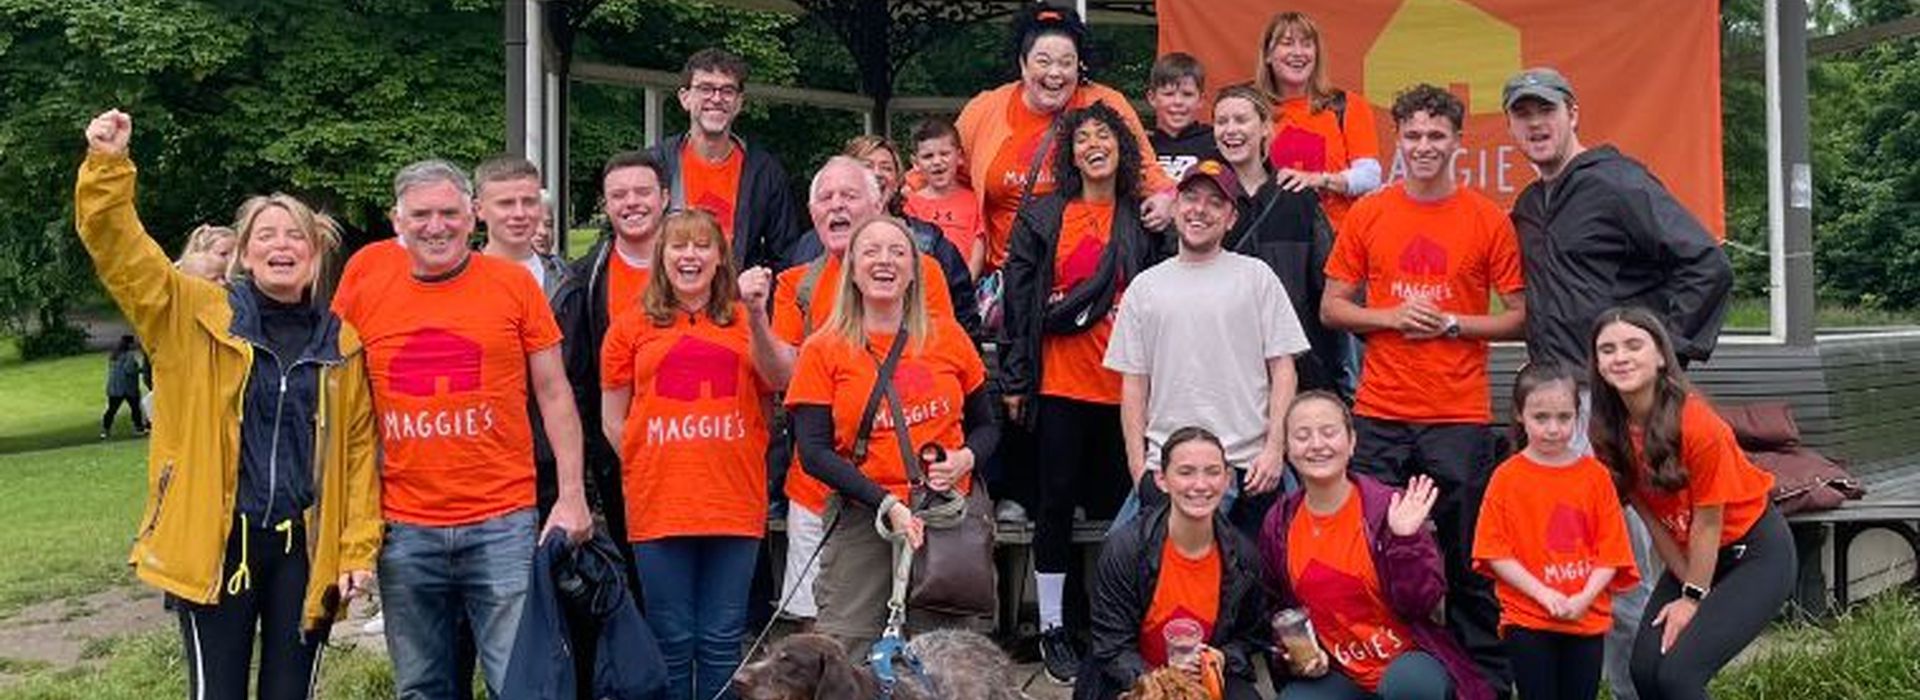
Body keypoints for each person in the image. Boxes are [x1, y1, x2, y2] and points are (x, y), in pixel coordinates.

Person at [75, 109, 380, 700]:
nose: (281, 245)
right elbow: (122, 254)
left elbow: (359, 456)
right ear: (243, 254)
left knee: (292, 693)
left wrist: (357, 549)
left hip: (306, 553)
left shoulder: (341, 343)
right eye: (266, 235)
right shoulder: (190, 314)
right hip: (217, 543)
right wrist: (107, 166)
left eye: (296, 235)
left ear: (316, 255)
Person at [1502, 66, 1736, 700]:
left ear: (1573, 112)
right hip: (1556, 409)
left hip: (1609, 410)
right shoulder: (1528, 206)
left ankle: (1658, 687)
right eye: (1523, 115)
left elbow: (1705, 264)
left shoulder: (1617, 181)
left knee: (1617, 567)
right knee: (1573, 561)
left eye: (1545, 110)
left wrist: (1656, 357)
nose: (1536, 124)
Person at [332, 159, 592, 698]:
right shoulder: (364, 274)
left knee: (520, 682)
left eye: (449, 212)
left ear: (472, 216)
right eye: (421, 215)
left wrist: (571, 497)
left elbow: (554, 392)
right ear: (396, 221)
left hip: (502, 517)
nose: (436, 226)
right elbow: (334, 390)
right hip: (404, 522)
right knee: (424, 684)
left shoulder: (511, 284)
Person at [1319, 84, 1524, 694]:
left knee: (1465, 561)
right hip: (1380, 411)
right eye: (1413, 136)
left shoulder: (1487, 218)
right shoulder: (1370, 212)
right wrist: (1389, 317)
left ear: (1459, 143)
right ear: (1398, 142)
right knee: (1372, 553)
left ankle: (1483, 680)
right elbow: (1332, 308)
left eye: (1437, 136)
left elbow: (1520, 315)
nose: (1424, 146)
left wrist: (1456, 323)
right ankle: (1378, 669)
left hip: (1457, 414)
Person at [786, 215, 999, 657]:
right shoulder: (823, 349)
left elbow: (988, 426)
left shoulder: (949, 337)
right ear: (853, 269)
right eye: (871, 252)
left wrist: (966, 459)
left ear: (915, 269)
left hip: (943, 519)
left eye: (897, 252)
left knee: (945, 658)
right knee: (849, 652)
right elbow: (814, 452)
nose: (885, 261)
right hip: (864, 516)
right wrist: (887, 504)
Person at [1001, 102, 1162, 684]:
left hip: (1129, 388)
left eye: (1105, 135)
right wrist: (1016, 379)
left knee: (1128, 508)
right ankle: (1052, 625)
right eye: (1082, 138)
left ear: (1122, 148)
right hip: (1062, 382)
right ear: (1069, 154)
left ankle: (1116, 624)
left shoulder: (1143, 219)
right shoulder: (1045, 215)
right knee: (1055, 503)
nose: (1094, 144)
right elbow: (1019, 305)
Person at [767, 157, 962, 627]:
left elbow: (944, 366)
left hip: (918, 497)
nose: (837, 206)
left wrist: (965, 456)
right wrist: (755, 319)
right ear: (812, 213)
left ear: (878, 204)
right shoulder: (796, 284)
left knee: (923, 639)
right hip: (823, 494)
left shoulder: (924, 271)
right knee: (828, 637)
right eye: (826, 198)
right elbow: (783, 380)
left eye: (849, 196)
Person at [599, 210, 780, 700]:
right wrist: (648, 464)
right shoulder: (630, 326)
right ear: (661, 256)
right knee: (671, 638)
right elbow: (613, 418)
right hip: (660, 502)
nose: (690, 256)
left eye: (702, 245)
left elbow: (772, 394)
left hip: (733, 500)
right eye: (678, 246)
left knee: (723, 639)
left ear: (721, 257)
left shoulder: (747, 320)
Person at [1587, 307, 1794, 700]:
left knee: (1678, 676)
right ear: (1597, 364)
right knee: (1645, 670)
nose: (1621, 357)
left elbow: (1708, 523)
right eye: (1608, 349)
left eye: (1634, 345)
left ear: (1661, 356)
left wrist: (1692, 598)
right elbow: (1650, 516)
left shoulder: (1699, 425)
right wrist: (1683, 579)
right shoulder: (1607, 432)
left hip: (1753, 554)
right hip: (1692, 557)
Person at [1104, 159, 1308, 539]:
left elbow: (1283, 368)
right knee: (1133, 571)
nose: (1200, 210)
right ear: (1176, 206)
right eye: (1191, 198)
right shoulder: (1145, 288)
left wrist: (1275, 449)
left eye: (1215, 202)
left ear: (1231, 218)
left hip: (1250, 468)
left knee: (1258, 586)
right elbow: (1134, 385)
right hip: (1169, 470)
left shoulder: (1257, 278)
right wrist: (1139, 470)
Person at [1260, 392, 1492, 700]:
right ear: (1287, 448)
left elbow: (1422, 604)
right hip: (1338, 672)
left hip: (1407, 661)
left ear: (1352, 441)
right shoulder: (1279, 523)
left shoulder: (1386, 508)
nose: (1317, 444)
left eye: (1329, 432)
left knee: (1411, 685)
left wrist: (1406, 541)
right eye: (1302, 436)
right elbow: (1279, 610)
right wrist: (1294, 653)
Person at [955, 4, 1176, 272]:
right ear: (1023, 65)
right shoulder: (984, 109)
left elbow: (1144, 168)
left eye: (1066, 62)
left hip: (1086, 271)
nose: (1055, 73)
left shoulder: (1106, 103)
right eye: (1043, 61)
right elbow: (947, 172)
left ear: (1079, 65)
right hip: (1009, 274)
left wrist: (1165, 197)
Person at [1472, 362, 1639, 700]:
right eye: (1541, 417)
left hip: (1586, 616)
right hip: (1528, 618)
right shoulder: (1506, 478)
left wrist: (1584, 597)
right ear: (1520, 415)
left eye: (1564, 418)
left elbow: (1612, 552)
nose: (1553, 428)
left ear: (1578, 415)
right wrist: (1543, 594)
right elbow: (1494, 551)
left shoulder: (1595, 476)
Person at [1078, 427, 1268, 700]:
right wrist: (1164, 684)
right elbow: (1111, 647)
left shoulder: (1243, 556)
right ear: (1162, 479)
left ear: (1227, 480)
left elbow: (1252, 636)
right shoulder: (1126, 548)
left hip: (1202, 678)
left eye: (1212, 472)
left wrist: (1223, 657)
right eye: (1186, 472)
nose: (1200, 485)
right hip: (1131, 678)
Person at [554, 150, 670, 565]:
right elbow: (576, 375)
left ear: (665, 197)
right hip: (620, 450)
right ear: (606, 204)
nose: (632, 202)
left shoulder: (701, 267)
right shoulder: (584, 278)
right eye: (619, 194)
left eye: (643, 192)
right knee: (635, 563)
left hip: (696, 446)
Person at [1211, 83, 1345, 395]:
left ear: (1266, 128)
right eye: (1222, 121)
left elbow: (1327, 285)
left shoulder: (1297, 197)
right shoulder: (1202, 202)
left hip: (1298, 364)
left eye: (1241, 120)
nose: (1231, 130)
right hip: (1224, 366)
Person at [789, 135, 980, 336]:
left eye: (886, 168)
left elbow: (962, 318)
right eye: (867, 166)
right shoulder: (811, 245)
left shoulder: (928, 241)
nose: (877, 174)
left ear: (898, 180)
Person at [647, 47, 801, 271]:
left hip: (735, 300)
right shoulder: (656, 164)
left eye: (727, 90)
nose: (716, 98)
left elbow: (786, 256)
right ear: (685, 98)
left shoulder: (765, 171)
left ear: (739, 102)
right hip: (665, 300)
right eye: (705, 88)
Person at [1254, 11, 1383, 232]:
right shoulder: (1251, 107)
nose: (1298, 53)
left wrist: (1320, 180)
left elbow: (1370, 177)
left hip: (1337, 239)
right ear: (1268, 54)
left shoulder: (1347, 105)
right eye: (1287, 43)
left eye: (1306, 44)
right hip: (1272, 237)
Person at [904, 118, 988, 279]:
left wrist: (964, 286)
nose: (937, 161)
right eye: (928, 156)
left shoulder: (974, 201)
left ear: (960, 156)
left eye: (944, 154)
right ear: (915, 163)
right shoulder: (911, 205)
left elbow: (979, 251)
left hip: (964, 290)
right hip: (925, 289)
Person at [474, 155, 568, 297]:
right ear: (479, 209)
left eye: (529, 202)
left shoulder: (567, 279)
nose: (520, 213)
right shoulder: (457, 282)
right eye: (506, 203)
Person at [1146, 52, 1219, 182]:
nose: (1178, 102)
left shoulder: (1216, 141)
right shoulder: (1142, 146)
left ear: (1201, 100)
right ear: (1152, 98)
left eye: (1187, 94)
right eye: (1169, 94)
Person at [101, 334, 150, 438]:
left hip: (114, 388)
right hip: (128, 388)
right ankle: (139, 428)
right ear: (130, 344)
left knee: (112, 409)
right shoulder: (129, 356)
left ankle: (105, 430)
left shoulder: (114, 355)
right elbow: (129, 370)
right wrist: (141, 370)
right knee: (135, 408)